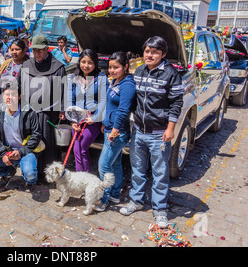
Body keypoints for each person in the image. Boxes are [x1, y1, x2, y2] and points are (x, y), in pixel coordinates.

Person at [119, 36, 184, 228]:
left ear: (163, 54)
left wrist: (170, 128)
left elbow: (176, 103)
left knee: (160, 172)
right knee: (138, 170)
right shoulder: (139, 71)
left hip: (159, 133)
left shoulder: (171, 74)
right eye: (147, 51)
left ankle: (160, 209)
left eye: (154, 52)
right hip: (139, 130)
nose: (149, 55)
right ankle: (136, 201)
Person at [17, 34, 66, 181]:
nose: (37, 53)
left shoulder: (57, 67)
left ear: (46, 49)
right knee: (31, 141)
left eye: (40, 50)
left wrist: (62, 109)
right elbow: (19, 86)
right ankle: (32, 171)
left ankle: (48, 174)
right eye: (34, 51)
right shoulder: (26, 66)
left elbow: (63, 89)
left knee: (47, 143)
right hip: (29, 112)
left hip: (48, 113)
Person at [0, 81, 41, 190]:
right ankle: (8, 171)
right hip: (6, 151)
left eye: (13, 95)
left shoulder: (29, 112)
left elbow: (37, 134)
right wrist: (3, 153)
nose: (9, 98)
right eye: (7, 94)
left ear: (20, 96)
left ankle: (29, 181)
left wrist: (21, 152)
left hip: (25, 151)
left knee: (30, 174)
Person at [94, 51, 136, 212]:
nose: (111, 70)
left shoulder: (127, 85)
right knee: (116, 164)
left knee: (103, 166)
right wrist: (106, 123)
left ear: (126, 67)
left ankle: (103, 199)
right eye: (110, 67)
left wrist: (115, 129)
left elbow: (123, 110)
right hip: (110, 128)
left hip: (117, 132)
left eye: (116, 67)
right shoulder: (116, 81)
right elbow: (111, 106)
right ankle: (115, 194)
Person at [67, 49, 108, 172]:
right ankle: (83, 179)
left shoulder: (101, 78)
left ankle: (84, 179)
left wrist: (95, 118)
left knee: (81, 147)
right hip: (77, 119)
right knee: (77, 149)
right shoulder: (75, 78)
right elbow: (70, 99)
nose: (86, 65)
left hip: (93, 120)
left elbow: (103, 101)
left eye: (90, 62)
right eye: (83, 62)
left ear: (95, 63)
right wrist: (72, 121)